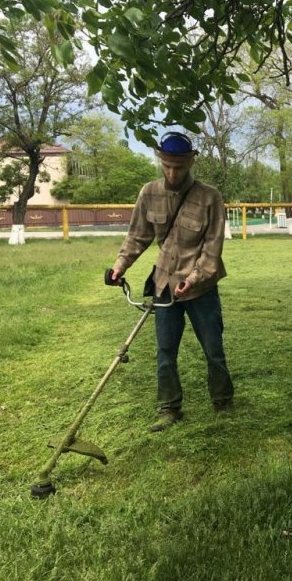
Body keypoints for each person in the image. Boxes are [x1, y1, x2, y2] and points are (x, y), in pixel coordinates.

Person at [110, 132, 234, 432]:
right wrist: (119, 266)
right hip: (165, 284)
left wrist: (194, 278)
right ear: (160, 160)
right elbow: (138, 235)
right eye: (167, 165)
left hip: (201, 287)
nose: (172, 172)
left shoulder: (210, 197)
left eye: (179, 166)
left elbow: (212, 249)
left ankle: (223, 400)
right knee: (165, 351)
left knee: (213, 349)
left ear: (191, 161)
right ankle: (169, 408)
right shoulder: (148, 193)